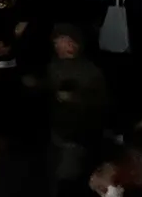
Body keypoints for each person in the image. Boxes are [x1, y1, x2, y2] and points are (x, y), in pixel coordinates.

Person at [46, 24, 108, 197]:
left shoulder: (90, 71)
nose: (65, 46)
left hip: (80, 138)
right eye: (59, 42)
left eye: (69, 42)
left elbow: (101, 102)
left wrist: (76, 98)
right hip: (57, 136)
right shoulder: (52, 68)